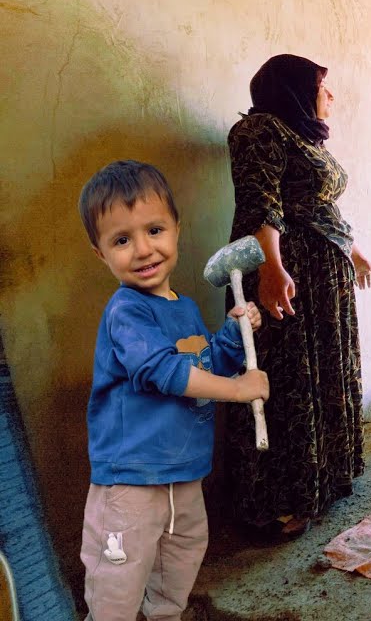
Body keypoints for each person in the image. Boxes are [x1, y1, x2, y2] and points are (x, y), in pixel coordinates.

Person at [77, 160, 268, 621]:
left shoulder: (182, 309)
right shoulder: (126, 311)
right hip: (131, 482)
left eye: (155, 230)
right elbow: (166, 374)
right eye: (122, 240)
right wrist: (239, 389)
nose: (143, 249)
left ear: (176, 230)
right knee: (116, 590)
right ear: (100, 253)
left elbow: (202, 367)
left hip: (182, 475)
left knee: (178, 565)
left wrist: (230, 336)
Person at [225, 54, 371, 539]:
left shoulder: (304, 138)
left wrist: (352, 251)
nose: (330, 96)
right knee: (288, 378)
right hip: (289, 276)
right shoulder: (259, 131)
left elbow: (318, 208)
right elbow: (261, 204)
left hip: (320, 281)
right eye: (322, 87)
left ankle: (322, 481)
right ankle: (283, 498)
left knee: (321, 374)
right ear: (292, 89)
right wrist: (272, 269)